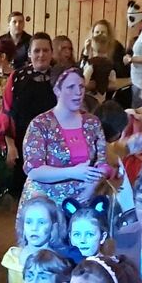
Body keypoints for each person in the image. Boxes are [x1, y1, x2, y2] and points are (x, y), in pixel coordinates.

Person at [23, 66, 107, 214]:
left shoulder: (92, 122)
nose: (78, 92)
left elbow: (103, 162)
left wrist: (93, 186)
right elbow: (34, 170)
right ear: (57, 90)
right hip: (47, 209)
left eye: (81, 86)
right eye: (71, 87)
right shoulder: (40, 124)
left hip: (85, 204)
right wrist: (73, 172)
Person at [0, 33, 58, 180]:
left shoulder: (60, 77)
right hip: (22, 146)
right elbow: (6, 112)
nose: (41, 54)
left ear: (52, 53)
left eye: (45, 50)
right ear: (29, 53)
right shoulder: (17, 77)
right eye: (37, 51)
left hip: (54, 146)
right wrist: (9, 146)